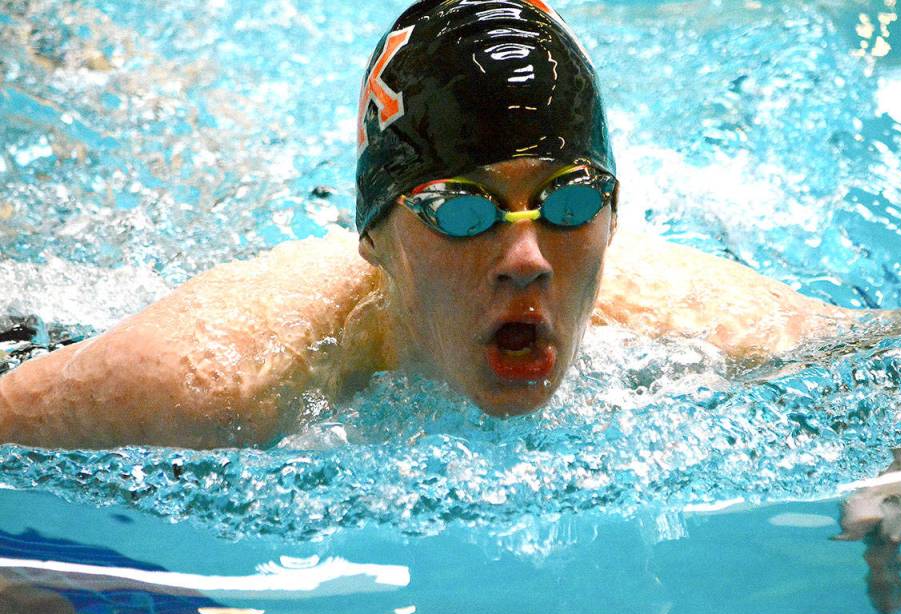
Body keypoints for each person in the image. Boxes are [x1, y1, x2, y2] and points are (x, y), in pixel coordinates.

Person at [0, 0, 854, 451]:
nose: (528, 260)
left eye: (569, 201)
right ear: (375, 236)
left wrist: (885, 487)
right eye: (462, 208)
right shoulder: (208, 380)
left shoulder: (694, 316)